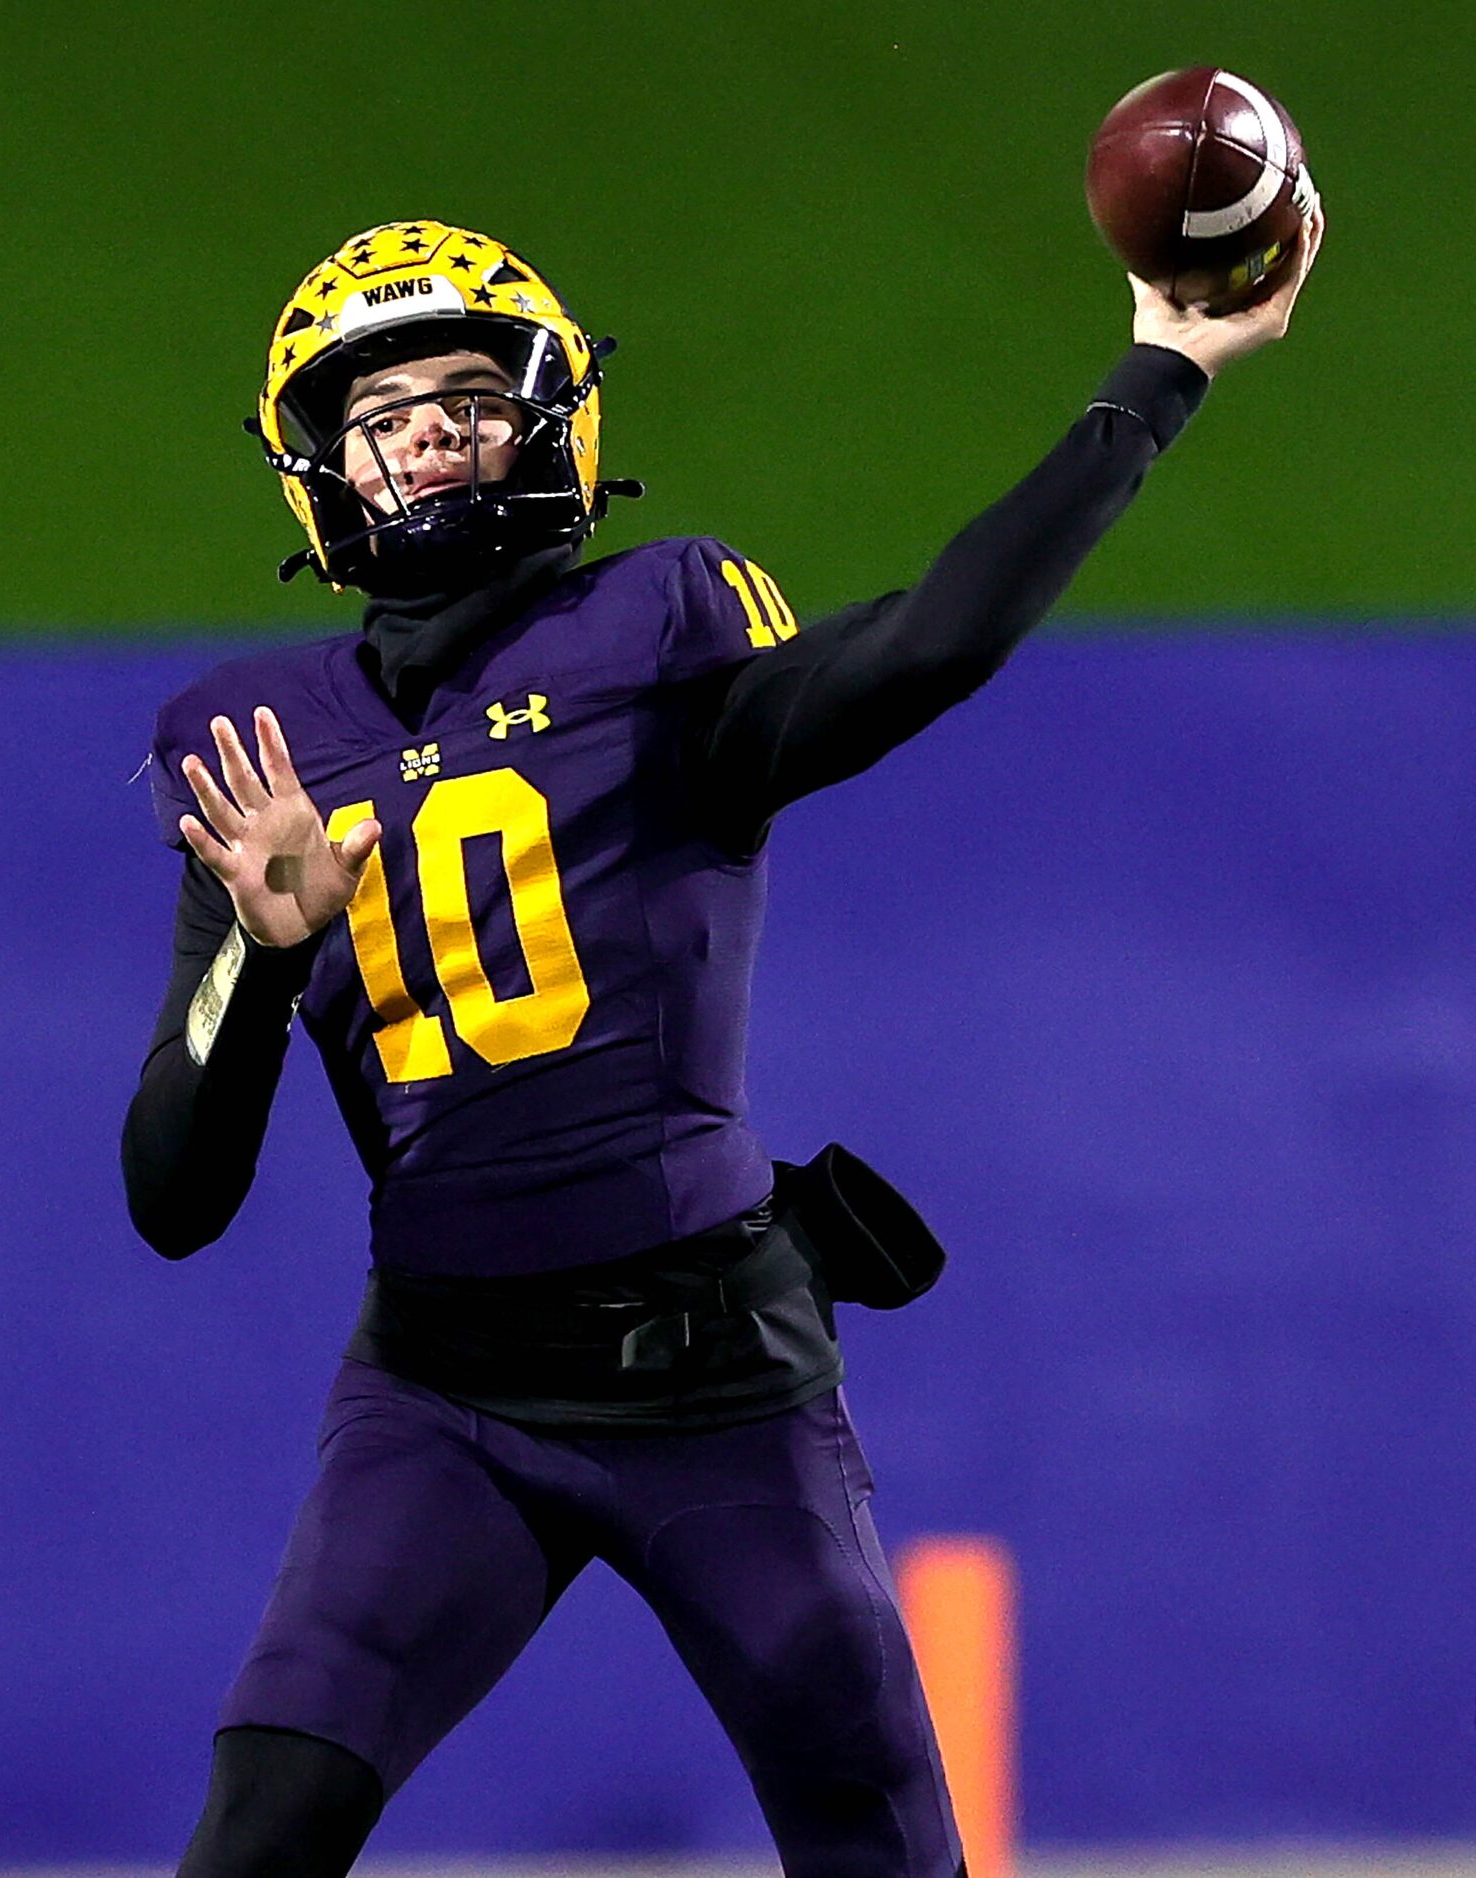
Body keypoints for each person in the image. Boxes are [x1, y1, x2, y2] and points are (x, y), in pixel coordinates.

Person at [122, 210, 1324, 1878]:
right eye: (386, 415)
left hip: (712, 1378)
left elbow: (930, 644)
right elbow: (173, 1192)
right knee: (260, 1827)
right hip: (444, 1392)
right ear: (321, 468)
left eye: (469, 394)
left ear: (552, 420)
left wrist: (1162, 368)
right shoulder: (255, 743)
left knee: (879, 1846)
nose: (431, 437)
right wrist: (262, 957)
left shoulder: (658, 624)